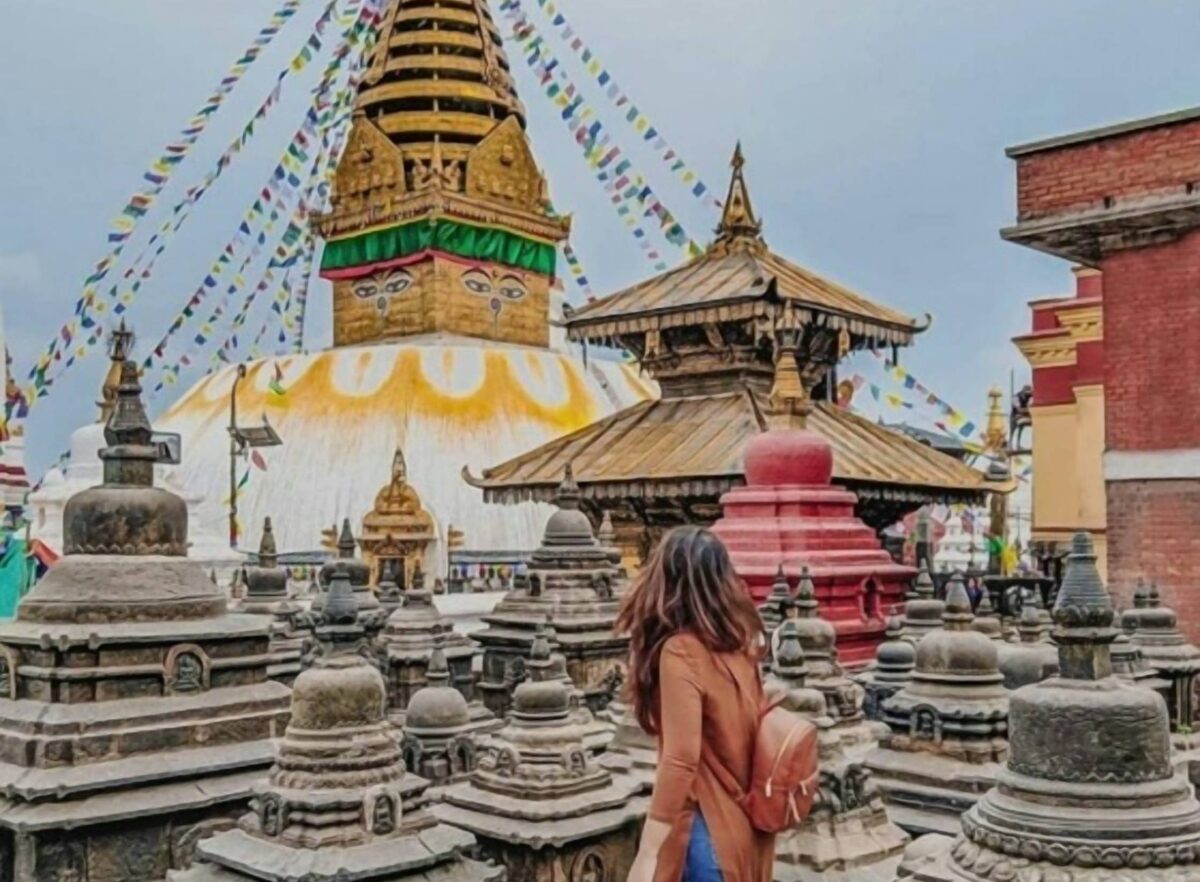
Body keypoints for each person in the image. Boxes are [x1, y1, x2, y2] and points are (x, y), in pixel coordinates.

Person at [617, 526, 774, 882]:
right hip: (749, 831)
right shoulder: (741, 644)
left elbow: (680, 759)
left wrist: (647, 853)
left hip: (706, 833)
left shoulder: (681, 650)